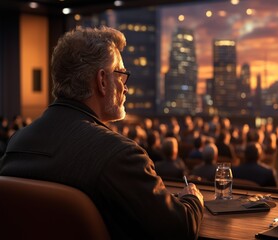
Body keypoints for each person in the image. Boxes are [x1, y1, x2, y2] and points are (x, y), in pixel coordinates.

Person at [0, 26, 203, 239]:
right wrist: (193, 199)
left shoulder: (17, 143)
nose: (126, 88)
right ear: (102, 81)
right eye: (122, 74)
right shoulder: (120, 155)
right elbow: (179, 230)